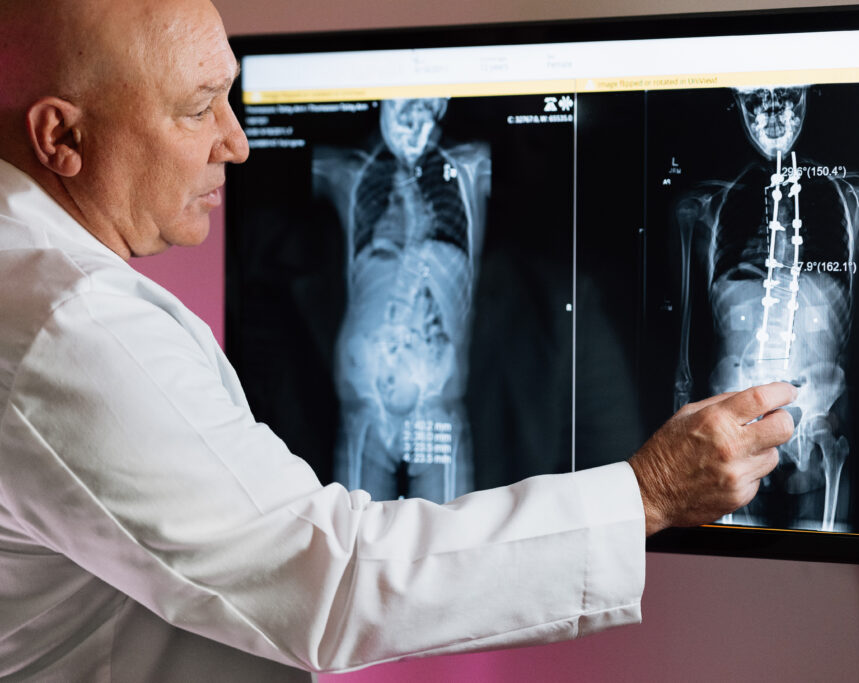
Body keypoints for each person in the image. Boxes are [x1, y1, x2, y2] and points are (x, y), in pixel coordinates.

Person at [0, 0, 796, 679]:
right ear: (61, 137)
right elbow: (326, 579)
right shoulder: (70, 325)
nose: (237, 141)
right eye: (197, 106)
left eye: (231, 96)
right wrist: (649, 493)